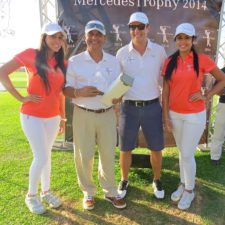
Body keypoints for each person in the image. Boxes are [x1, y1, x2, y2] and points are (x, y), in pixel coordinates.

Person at [0, 22, 67, 214]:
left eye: (60, 37)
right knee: (42, 155)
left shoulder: (63, 62)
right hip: (32, 116)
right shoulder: (31, 54)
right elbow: (2, 72)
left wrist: (62, 116)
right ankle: (31, 195)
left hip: (53, 118)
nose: (57, 40)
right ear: (44, 37)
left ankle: (45, 192)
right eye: (53, 36)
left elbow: (60, 92)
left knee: (47, 157)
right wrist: (20, 97)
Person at [63, 20, 126, 210]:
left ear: (104, 38)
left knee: (108, 153)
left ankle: (110, 192)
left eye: (98, 34)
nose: (94, 38)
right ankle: (88, 192)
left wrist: (117, 97)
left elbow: (119, 87)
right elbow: (65, 89)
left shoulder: (113, 61)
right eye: (91, 34)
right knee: (84, 155)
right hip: (83, 114)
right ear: (85, 37)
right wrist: (79, 92)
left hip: (107, 114)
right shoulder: (75, 61)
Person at [162, 23, 225, 210]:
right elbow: (165, 91)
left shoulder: (202, 59)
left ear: (192, 40)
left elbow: (222, 79)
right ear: (175, 40)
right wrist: (165, 115)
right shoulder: (169, 61)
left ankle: (189, 190)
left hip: (194, 116)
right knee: (183, 152)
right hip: (175, 114)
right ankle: (183, 183)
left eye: (187, 38)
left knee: (188, 154)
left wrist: (207, 95)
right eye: (179, 38)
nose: (183, 41)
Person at [116, 12, 167, 199]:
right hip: (128, 107)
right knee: (125, 148)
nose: (137, 30)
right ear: (130, 29)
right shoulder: (121, 53)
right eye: (133, 27)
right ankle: (124, 179)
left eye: (140, 26)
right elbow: (117, 83)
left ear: (148, 28)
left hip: (153, 106)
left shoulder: (159, 51)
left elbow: (165, 81)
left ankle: (157, 179)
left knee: (155, 147)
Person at [210, 67, 225, 165]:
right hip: (224, 104)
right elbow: (216, 90)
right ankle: (215, 157)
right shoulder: (223, 71)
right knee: (219, 132)